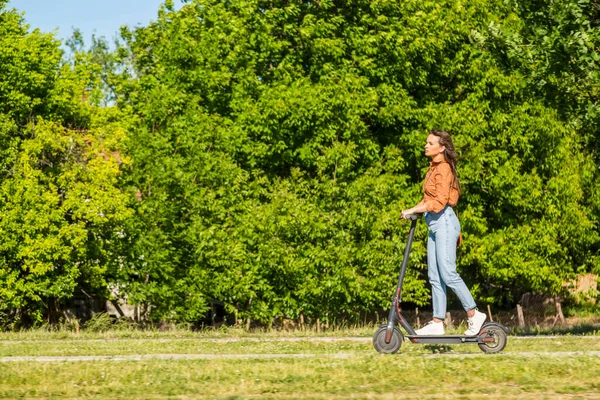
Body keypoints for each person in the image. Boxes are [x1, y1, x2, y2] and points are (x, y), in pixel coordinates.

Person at [401, 130, 486, 336]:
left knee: (448, 272)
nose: (426, 146)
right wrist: (411, 210)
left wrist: (414, 211)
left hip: (445, 223)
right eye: (426, 142)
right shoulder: (433, 169)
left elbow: (439, 203)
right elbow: (427, 199)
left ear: (442, 148)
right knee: (434, 275)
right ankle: (437, 322)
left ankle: (474, 314)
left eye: (430, 143)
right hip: (434, 225)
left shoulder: (444, 169)